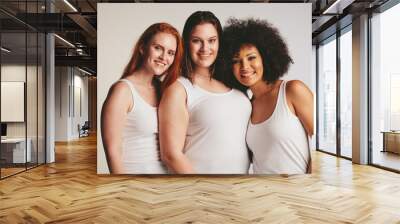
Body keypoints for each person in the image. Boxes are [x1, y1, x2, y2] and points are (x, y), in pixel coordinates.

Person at [159, 11, 251, 174]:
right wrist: (202, 187)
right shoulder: (179, 89)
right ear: (186, 43)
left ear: (219, 43)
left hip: (238, 188)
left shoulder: (235, 83)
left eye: (211, 40)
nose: (205, 48)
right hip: (199, 191)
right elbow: (171, 155)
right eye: (196, 41)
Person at [223, 18, 314, 174]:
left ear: (265, 57)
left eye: (251, 57)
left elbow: (318, 147)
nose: (244, 67)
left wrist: (312, 187)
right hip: (262, 193)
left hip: (298, 192)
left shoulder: (293, 90)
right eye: (236, 61)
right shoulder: (246, 106)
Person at [101, 23, 183, 174]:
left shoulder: (165, 91)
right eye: (158, 48)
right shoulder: (122, 91)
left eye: (171, 52)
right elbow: (113, 153)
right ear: (142, 47)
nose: (164, 57)